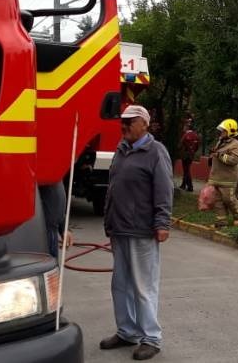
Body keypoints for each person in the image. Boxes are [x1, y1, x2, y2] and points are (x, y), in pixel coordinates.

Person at [100, 105, 173, 361]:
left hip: (142, 230)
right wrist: (109, 222)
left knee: (144, 287)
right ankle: (127, 331)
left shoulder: (155, 151)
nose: (124, 126)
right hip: (119, 230)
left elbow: (164, 190)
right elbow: (113, 188)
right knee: (120, 285)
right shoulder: (122, 150)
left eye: (130, 122)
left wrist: (162, 223)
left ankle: (151, 338)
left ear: (144, 124)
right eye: (123, 122)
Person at [207, 118, 238, 228]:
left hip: (228, 179)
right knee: (218, 202)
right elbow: (216, 155)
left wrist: (219, 155)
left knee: (229, 199)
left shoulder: (236, 144)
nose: (221, 132)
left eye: (223, 130)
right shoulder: (220, 141)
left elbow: (234, 160)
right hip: (216, 177)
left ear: (230, 131)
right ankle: (221, 223)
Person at [178, 119, 200, 192]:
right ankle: (183, 184)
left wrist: (181, 151)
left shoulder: (186, 135)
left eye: (185, 126)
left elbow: (180, 144)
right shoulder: (195, 135)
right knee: (186, 169)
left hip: (185, 154)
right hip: (191, 154)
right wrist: (193, 152)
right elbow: (197, 146)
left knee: (186, 170)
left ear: (187, 127)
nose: (184, 127)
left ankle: (190, 187)